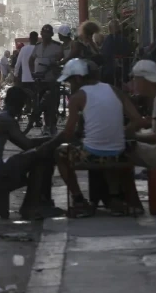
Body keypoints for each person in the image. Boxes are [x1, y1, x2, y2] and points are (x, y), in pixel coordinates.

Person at [53, 59, 146, 217]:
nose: (69, 87)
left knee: (60, 153)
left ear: (78, 78)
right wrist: (120, 132)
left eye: (69, 82)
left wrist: (53, 142)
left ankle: (79, 199)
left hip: (93, 154)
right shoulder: (114, 90)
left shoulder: (78, 97)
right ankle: (115, 197)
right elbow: (137, 120)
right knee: (108, 150)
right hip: (118, 151)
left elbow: (68, 133)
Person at [0, 86, 64, 220]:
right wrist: (56, 140)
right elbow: (27, 145)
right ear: (18, 105)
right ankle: (33, 206)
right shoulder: (5, 120)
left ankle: (36, 204)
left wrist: (49, 139)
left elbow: (24, 143)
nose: (22, 111)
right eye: (23, 106)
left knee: (37, 157)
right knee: (41, 157)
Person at [29, 24, 66, 132]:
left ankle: (52, 124)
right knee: (41, 103)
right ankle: (46, 124)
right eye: (44, 33)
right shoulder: (37, 46)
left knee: (53, 103)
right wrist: (32, 73)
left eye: (48, 33)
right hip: (40, 79)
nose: (45, 35)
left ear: (51, 34)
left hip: (52, 79)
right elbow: (31, 60)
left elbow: (62, 58)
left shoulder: (57, 46)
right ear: (41, 34)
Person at [13, 31, 40, 123]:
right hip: (37, 78)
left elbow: (18, 64)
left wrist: (15, 75)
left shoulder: (24, 49)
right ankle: (36, 117)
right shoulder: (39, 48)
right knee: (36, 97)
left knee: (24, 97)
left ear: (29, 39)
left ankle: (23, 113)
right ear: (37, 39)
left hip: (25, 78)